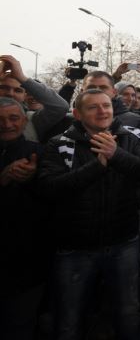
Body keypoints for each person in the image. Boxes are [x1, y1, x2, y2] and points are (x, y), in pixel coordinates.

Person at [37, 89, 140, 340]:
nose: (102, 111)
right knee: (69, 318)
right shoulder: (59, 143)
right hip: (75, 248)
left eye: (106, 106)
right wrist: (96, 166)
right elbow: (49, 189)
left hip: (124, 242)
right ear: (77, 114)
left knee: (129, 312)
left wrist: (116, 155)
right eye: (93, 107)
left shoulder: (131, 137)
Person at [0, 97, 50, 340]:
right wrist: (3, 180)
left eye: (13, 118)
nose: (7, 125)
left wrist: (33, 180)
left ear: (23, 121)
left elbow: (54, 196)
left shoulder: (39, 153)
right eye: (0, 120)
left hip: (27, 262)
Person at [0, 55, 69, 142]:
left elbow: (60, 107)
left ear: (24, 96)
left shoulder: (32, 120)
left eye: (18, 90)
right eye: (4, 88)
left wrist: (21, 77)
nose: (10, 93)